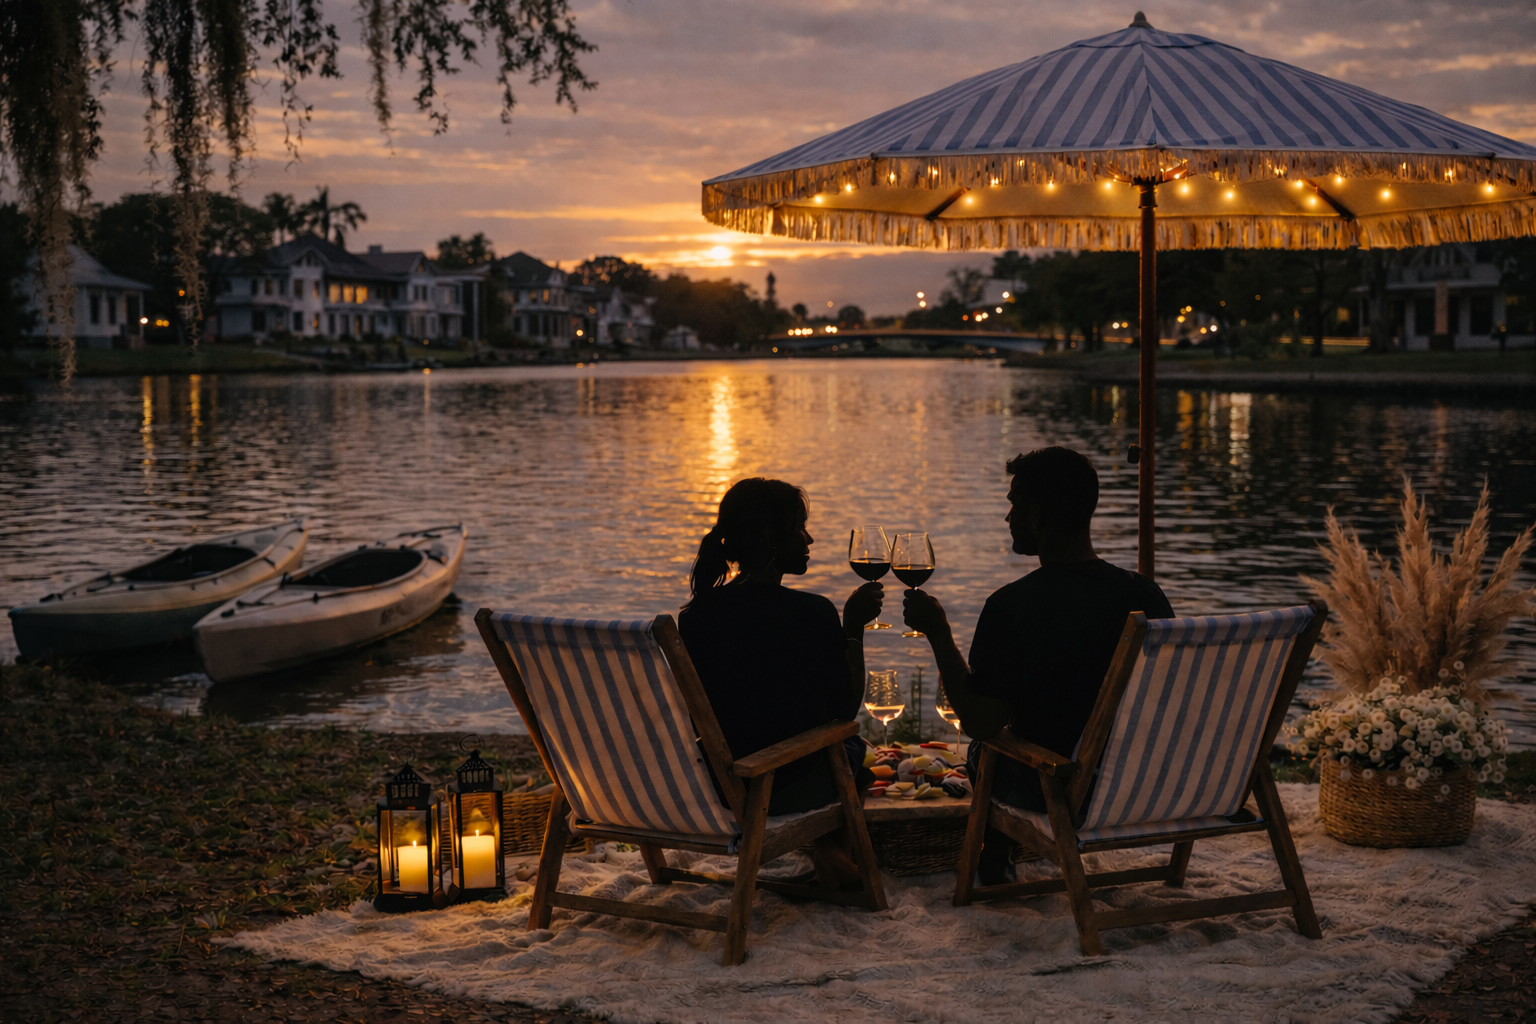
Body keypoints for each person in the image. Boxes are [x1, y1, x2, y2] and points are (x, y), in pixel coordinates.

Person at [902, 446, 1173, 882]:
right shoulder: (1144, 595)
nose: (1007, 517)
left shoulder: (1014, 605)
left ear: (1036, 515)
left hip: (1068, 792)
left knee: (984, 751)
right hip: (1151, 786)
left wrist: (937, 633)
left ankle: (995, 854)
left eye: (1014, 504)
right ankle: (997, 855)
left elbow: (980, 721)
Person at [679, 477, 883, 887]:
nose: (809, 539)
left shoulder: (696, 615)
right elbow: (844, 712)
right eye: (801, 526)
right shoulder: (810, 612)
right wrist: (854, 628)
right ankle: (832, 852)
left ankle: (829, 852)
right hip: (769, 789)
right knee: (851, 748)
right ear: (772, 535)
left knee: (838, 752)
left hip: (712, 787)